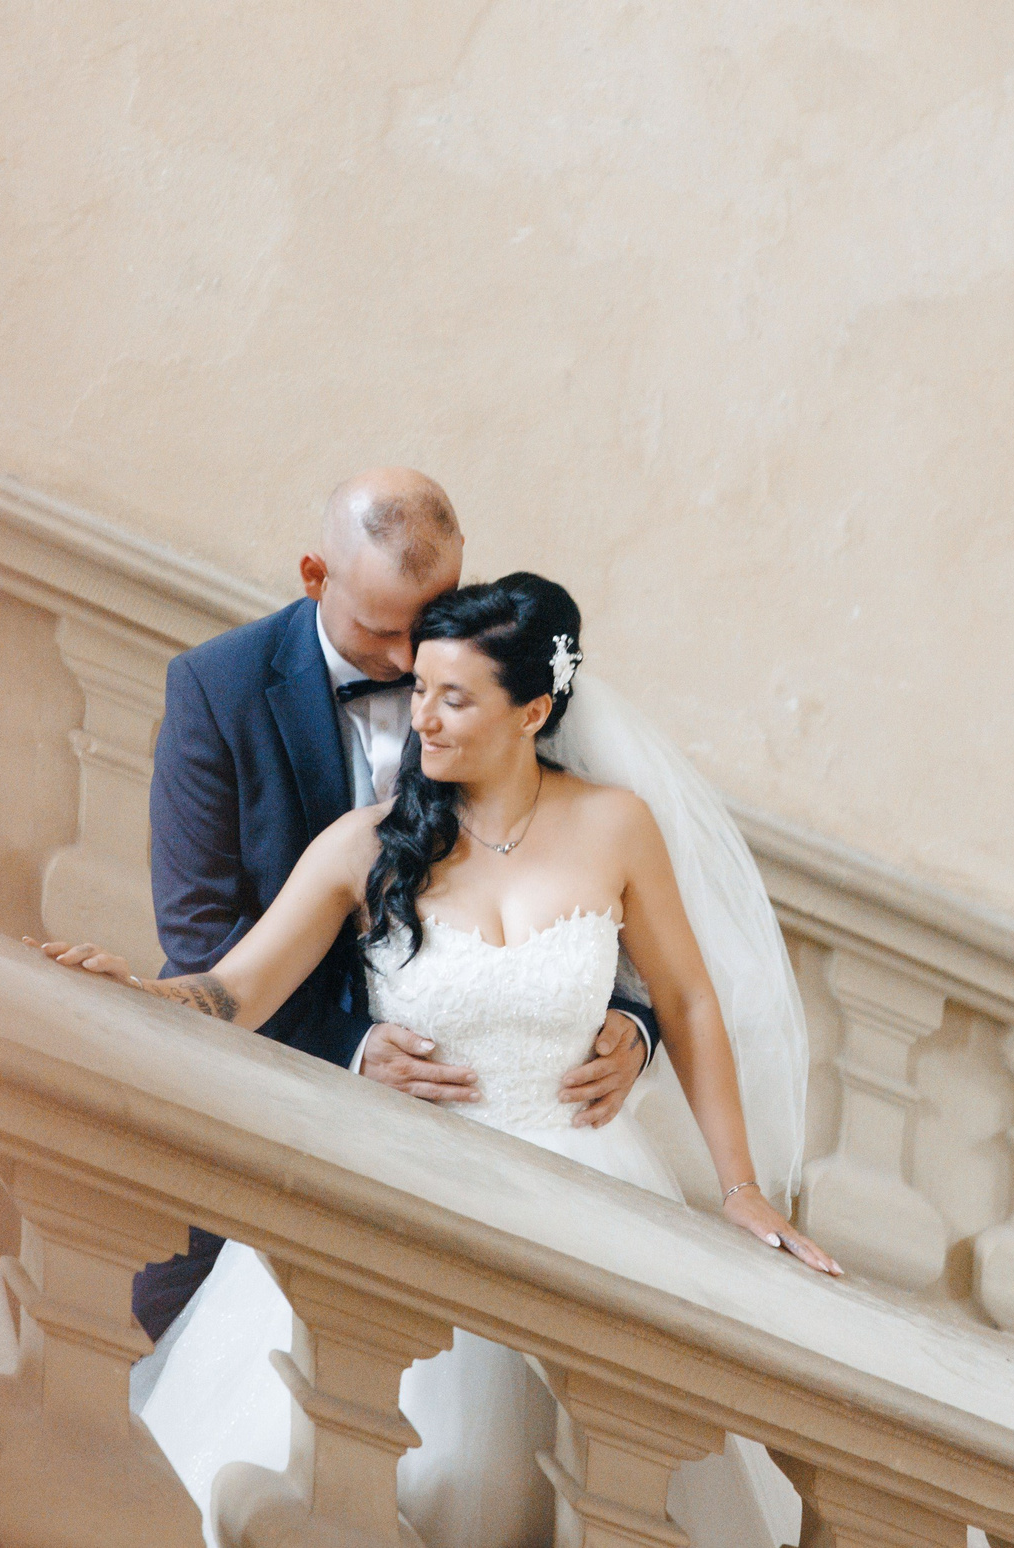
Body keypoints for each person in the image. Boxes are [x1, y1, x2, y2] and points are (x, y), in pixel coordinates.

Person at [42, 572, 828, 1548]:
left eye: (453, 698)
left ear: (532, 711)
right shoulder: (367, 844)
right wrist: (133, 989)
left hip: (583, 1198)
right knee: (408, 1472)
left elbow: (688, 998)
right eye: (419, 689)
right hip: (408, 1191)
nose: (422, 718)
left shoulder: (615, 826)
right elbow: (232, 992)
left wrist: (741, 1189)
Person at [133, 471, 658, 1341]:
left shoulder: (497, 674)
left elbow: (580, 881)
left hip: (501, 1144)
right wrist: (351, 1049)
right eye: (384, 631)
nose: (415, 661)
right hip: (273, 1084)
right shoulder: (216, 690)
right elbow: (201, 938)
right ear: (315, 577)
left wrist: (633, 1023)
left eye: (429, 620)